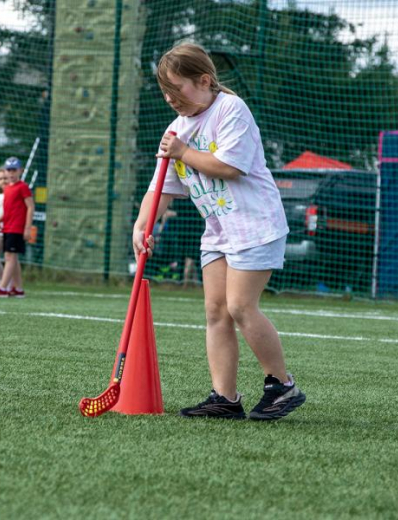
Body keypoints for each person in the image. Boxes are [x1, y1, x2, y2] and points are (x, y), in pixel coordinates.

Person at [133, 43, 305, 421]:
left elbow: (229, 166)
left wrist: (182, 152)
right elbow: (161, 188)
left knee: (240, 306)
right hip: (219, 231)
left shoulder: (231, 109)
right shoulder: (176, 130)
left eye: (177, 89)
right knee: (215, 312)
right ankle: (225, 398)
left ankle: (282, 386)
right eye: (165, 91)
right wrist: (142, 225)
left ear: (204, 80)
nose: (170, 98)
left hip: (255, 226)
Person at [0, 156, 33, 298]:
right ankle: (18, 289)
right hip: (8, 226)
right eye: (9, 170)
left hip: (17, 228)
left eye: (14, 170)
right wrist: (0, 219)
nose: (11, 173)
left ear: (20, 171)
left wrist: (27, 227)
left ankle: (3, 288)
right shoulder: (7, 189)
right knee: (12, 258)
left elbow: (30, 207)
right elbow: (9, 209)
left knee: (9, 257)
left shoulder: (22, 187)